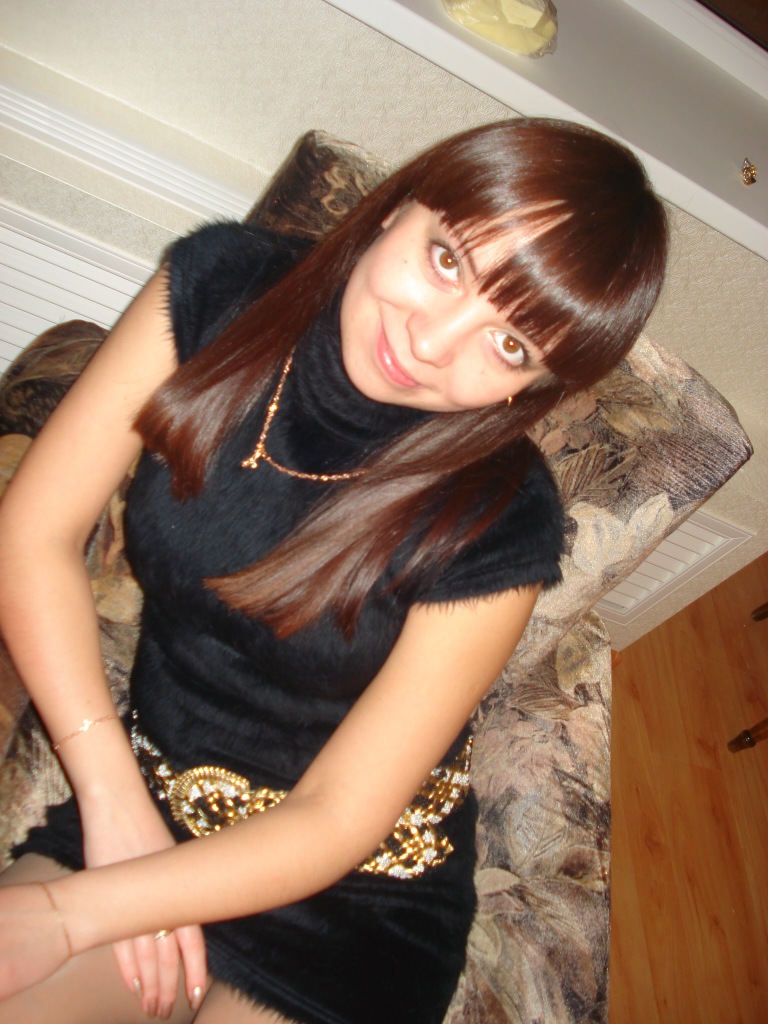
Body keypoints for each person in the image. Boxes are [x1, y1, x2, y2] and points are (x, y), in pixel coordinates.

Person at [0, 118, 667, 1024]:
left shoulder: (503, 522)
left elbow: (338, 816)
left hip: (356, 892)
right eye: (447, 261)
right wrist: (110, 795)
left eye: (511, 344)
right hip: (151, 786)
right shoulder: (217, 289)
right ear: (399, 206)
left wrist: (65, 913)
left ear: (532, 388)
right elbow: (35, 532)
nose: (432, 342)